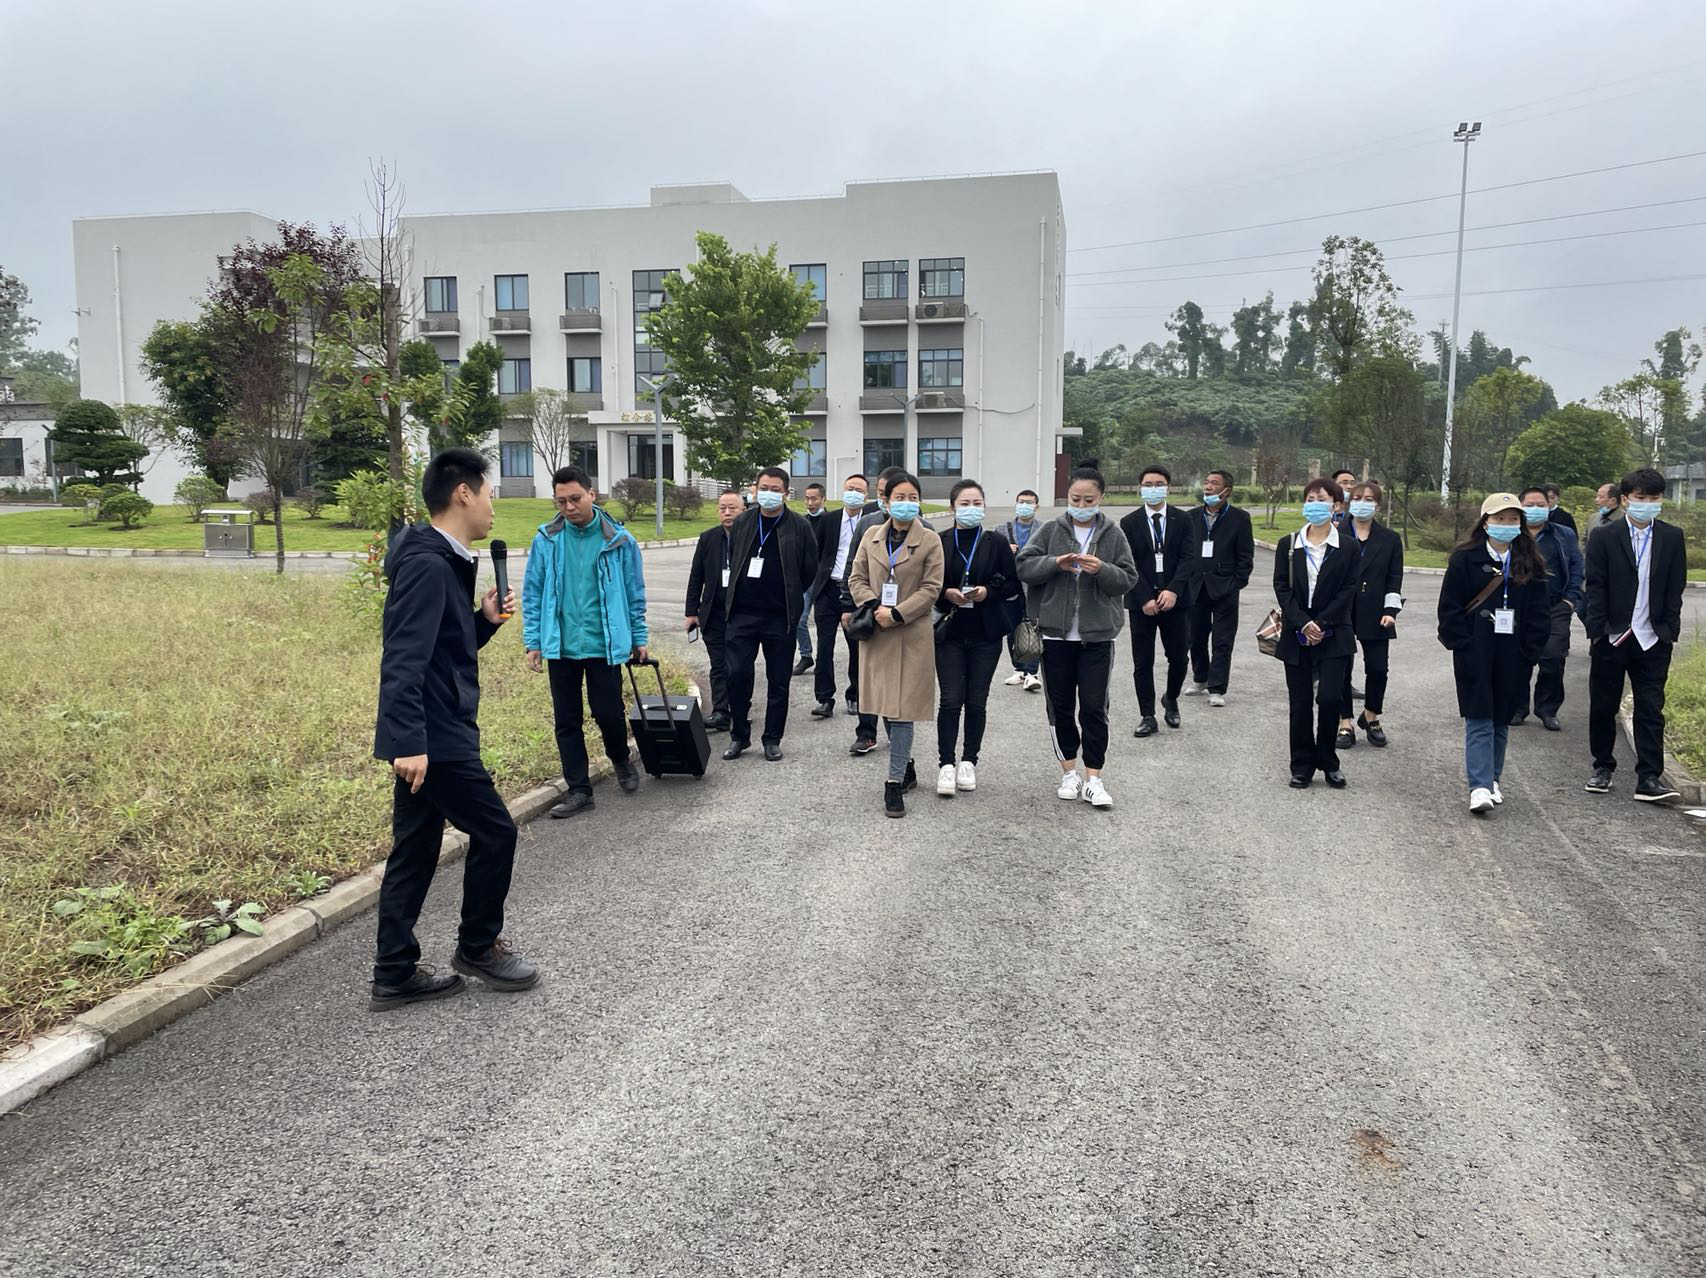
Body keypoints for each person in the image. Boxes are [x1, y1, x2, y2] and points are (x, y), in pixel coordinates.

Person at [371, 448, 537, 1009]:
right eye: (489, 494)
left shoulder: (441, 560)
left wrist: (482, 622)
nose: (493, 506)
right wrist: (409, 741)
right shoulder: (427, 564)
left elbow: (443, 648)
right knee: (497, 833)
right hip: (435, 737)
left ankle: (393, 972)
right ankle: (478, 947)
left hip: (434, 728)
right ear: (463, 493)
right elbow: (403, 658)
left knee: (415, 850)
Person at [522, 465, 648, 820]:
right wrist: (533, 641)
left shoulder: (619, 540)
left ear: (592, 494)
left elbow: (634, 592)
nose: (568, 507)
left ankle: (620, 759)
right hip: (561, 644)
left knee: (608, 712)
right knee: (567, 720)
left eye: (575, 498)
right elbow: (533, 592)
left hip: (603, 644)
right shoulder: (546, 539)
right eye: (561, 501)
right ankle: (579, 790)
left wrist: (639, 637)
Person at [1016, 465, 1138, 809]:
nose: (1081, 505)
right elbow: (1024, 566)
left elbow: (1128, 578)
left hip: (1097, 637)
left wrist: (1102, 569)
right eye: (1075, 499)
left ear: (1101, 499)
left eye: (1089, 500)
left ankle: (1094, 778)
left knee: (1095, 707)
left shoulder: (1113, 534)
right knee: (1061, 707)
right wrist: (1055, 562)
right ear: (1066, 497)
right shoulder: (1051, 529)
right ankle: (1068, 772)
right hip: (1055, 637)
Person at [1436, 494, 1551, 814]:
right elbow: (1449, 608)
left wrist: (1529, 653)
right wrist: (1462, 643)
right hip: (1475, 650)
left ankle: (1493, 779)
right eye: (1499, 519)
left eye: (1513, 519)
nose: (1506, 525)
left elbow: (1541, 614)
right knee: (1478, 716)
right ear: (1485, 522)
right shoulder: (1464, 559)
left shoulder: (1530, 561)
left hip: (1514, 653)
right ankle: (1479, 786)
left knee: (1501, 718)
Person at [1584, 468, 1687, 802]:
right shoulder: (1605, 536)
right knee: (1604, 705)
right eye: (1641, 498)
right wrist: (1597, 630)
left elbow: (1675, 587)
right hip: (1613, 636)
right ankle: (1602, 767)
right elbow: (1595, 586)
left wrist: (1669, 630)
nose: (1647, 504)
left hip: (1653, 638)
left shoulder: (1671, 537)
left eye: (1654, 498)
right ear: (1626, 499)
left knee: (1651, 708)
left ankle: (1649, 777)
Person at [848, 471, 946, 816]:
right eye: (899, 498)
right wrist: (875, 607)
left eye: (912, 498)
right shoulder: (871, 535)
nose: (906, 503)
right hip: (877, 631)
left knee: (902, 710)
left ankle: (893, 783)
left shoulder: (930, 540)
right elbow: (856, 577)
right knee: (885, 704)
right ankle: (907, 766)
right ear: (886, 502)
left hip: (911, 634)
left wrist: (897, 613)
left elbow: (931, 588)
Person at [721, 466, 820, 762]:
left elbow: (809, 569)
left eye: (775, 490)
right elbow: (734, 556)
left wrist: (790, 593)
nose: (769, 494)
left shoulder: (799, 526)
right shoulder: (743, 521)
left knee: (778, 680)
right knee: (736, 675)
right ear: (755, 489)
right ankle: (739, 735)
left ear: (786, 493)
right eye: (764, 488)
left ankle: (772, 738)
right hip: (742, 614)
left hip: (780, 616)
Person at [934, 479, 1021, 796]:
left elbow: (1012, 584)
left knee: (976, 701)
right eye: (964, 504)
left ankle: (969, 760)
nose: (971, 509)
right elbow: (928, 584)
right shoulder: (940, 541)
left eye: (977, 503)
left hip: (985, 633)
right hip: (950, 631)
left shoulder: (995, 542)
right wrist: (946, 593)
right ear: (952, 507)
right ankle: (946, 763)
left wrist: (987, 592)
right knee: (950, 699)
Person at [1272, 479, 1358, 789]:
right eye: (1309, 498)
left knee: (1330, 698)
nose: (1314, 504)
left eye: (1321, 498)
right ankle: (1302, 765)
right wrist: (1303, 623)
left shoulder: (1348, 546)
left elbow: (1349, 588)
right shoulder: (1289, 544)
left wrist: (1320, 623)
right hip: (1297, 633)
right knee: (1300, 703)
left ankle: (1328, 761)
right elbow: (1282, 587)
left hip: (1335, 632)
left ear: (1336, 505)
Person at [1120, 465, 1197, 737]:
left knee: (1179, 657)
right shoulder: (1129, 522)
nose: (1154, 489)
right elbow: (1129, 562)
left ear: (1169, 487)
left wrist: (1173, 590)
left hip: (1175, 601)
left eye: (1159, 484)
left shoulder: (1183, 519)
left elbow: (1189, 558)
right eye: (1148, 484)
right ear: (1140, 488)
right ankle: (1147, 715)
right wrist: (1144, 597)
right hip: (1142, 603)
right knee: (1143, 662)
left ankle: (1171, 698)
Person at [840, 465, 908, 755]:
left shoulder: (922, 528)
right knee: (865, 672)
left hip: (903, 615)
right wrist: (848, 605)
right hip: (868, 610)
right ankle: (866, 732)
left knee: (897, 675)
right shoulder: (868, 525)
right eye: (881, 493)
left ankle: (896, 727)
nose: (885, 499)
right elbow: (852, 567)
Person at [1334, 482, 1404, 749]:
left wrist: (1390, 610)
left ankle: (1371, 716)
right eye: (1357, 497)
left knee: (1378, 668)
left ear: (1378, 505)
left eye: (1369, 499)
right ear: (1349, 502)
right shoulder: (1335, 533)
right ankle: (1345, 722)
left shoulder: (1390, 539)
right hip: (1340, 610)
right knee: (1341, 667)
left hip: (1376, 611)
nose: (1362, 503)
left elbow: (1394, 578)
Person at [1510, 485, 1583, 732]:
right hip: (1519, 607)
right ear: (1520, 507)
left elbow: (1576, 566)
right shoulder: (1512, 533)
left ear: (1549, 506)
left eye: (1541, 505)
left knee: (1553, 657)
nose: (1535, 509)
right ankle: (1517, 707)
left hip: (1555, 606)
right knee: (1517, 658)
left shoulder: (1563, 534)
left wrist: (1570, 599)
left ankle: (1547, 709)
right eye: (1529, 505)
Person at [1184, 468, 1254, 707]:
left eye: (1214, 483)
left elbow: (1245, 555)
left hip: (1225, 587)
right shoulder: (1191, 517)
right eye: (1206, 482)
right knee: (1195, 636)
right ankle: (1200, 678)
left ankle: (1217, 688)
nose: (1208, 487)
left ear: (1226, 491)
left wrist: (1236, 583)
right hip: (1196, 586)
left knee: (1222, 640)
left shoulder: (1239, 518)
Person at [809, 474, 870, 719]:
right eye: (850, 488)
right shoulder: (829, 519)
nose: (853, 493)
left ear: (866, 495)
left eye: (859, 490)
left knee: (857, 645)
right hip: (828, 589)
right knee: (825, 647)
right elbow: (817, 551)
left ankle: (855, 695)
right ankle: (824, 698)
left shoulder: (870, 522)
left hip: (856, 591)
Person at [686, 490, 745, 733]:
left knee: (739, 665)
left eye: (732, 508)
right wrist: (691, 612)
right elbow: (696, 576)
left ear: (743, 511)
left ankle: (740, 707)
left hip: (744, 613)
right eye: (723, 508)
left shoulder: (752, 537)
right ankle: (721, 711)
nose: (727, 512)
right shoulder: (708, 538)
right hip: (714, 613)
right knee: (718, 664)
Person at [994, 489, 1044, 691]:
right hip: (1009, 587)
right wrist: (1006, 551)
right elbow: (992, 557)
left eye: (1029, 502)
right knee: (1012, 630)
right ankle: (1019, 669)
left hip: (1033, 587)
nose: (1025, 505)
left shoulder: (1043, 529)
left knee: (1032, 628)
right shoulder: (1001, 530)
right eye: (1021, 501)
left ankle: (1032, 672)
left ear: (1036, 506)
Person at [793, 481, 827, 676]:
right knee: (800, 619)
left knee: (824, 623)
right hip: (806, 579)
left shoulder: (830, 521)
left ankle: (823, 659)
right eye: (807, 498)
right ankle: (806, 655)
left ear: (823, 499)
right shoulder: (802, 522)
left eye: (814, 499)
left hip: (825, 580)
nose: (810, 502)